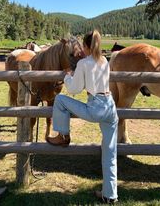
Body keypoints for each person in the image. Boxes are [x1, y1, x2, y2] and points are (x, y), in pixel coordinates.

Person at [47, 30, 118, 204]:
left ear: (86, 46)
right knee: (110, 153)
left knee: (59, 100)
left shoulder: (84, 63)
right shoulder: (104, 61)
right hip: (110, 107)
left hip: (95, 107)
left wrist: (67, 76)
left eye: (83, 47)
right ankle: (110, 195)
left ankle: (63, 136)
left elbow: (73, 89)